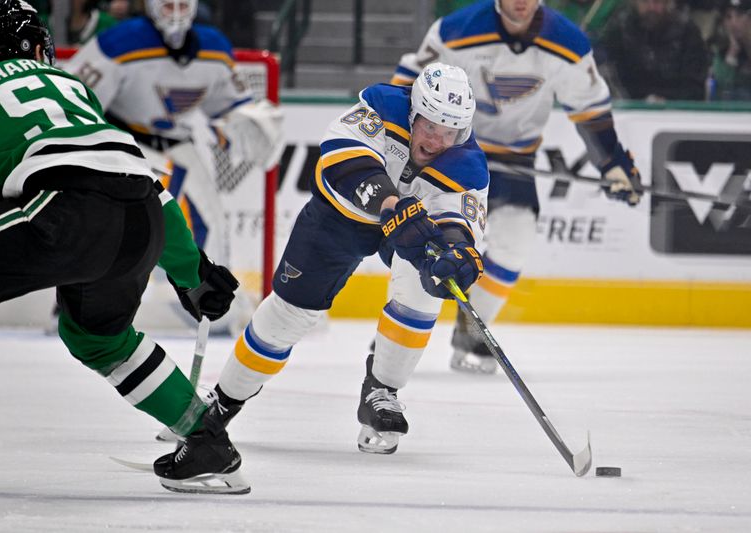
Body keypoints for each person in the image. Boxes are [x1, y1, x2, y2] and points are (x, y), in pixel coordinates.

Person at [0, 0, 248, 497]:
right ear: (43, 48)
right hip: (141, 217)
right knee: (100, 338)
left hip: (66, 210)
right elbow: (143, 184)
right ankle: (207, 443)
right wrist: (193, 274)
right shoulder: (76, 91)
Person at [207, 62, 489, 454]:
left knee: (427, 287)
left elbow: (459, 222)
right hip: (340, 218)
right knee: (288, 313)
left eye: (451, 131)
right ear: (413, 112)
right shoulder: (381, 105)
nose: (439, 140)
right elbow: (339, 157)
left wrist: (456, 253)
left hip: (410, 226)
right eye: (430, 126)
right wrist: (391, 204)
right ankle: (222, 402)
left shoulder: (468, 162)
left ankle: (382, 392)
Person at [390, 0, 643, 374]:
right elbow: (406, 89)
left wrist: (614, 164)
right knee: (424, 240)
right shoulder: (456, 31)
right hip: (452, 155)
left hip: (514, 161)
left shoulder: (568, 43)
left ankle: (470, 332)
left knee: (516, 243)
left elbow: (590, 111)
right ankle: (399, 326)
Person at [64, 0, 282, 167]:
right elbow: (72, 97)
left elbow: (231, 104)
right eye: (169, 6)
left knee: (210, 223)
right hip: (125, 143)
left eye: (183, 6)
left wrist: (246, 117)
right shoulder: (120, 42)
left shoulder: (214, 46)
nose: (177, 15)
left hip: (178, 144)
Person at [598, 0, 710, 101]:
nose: (651, 8)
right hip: (630, 111)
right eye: (645, 2)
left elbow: (694, 83)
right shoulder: (619, 31)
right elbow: (614, 79)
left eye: (657, 2)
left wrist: (667, 100)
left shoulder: (687, 32)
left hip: (678, 113)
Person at [709, 0, 751, 100]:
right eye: (728, 17)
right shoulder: (721, 49)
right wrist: (731, 55)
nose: (733, 23)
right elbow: (722, 87)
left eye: (740, 15)